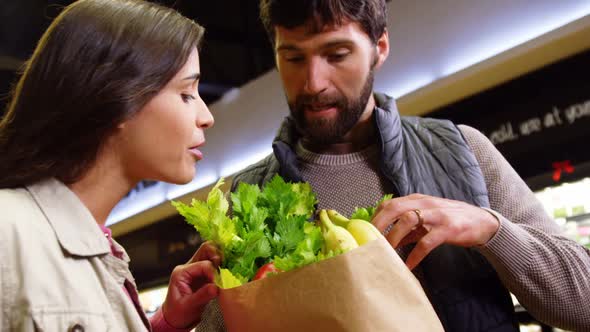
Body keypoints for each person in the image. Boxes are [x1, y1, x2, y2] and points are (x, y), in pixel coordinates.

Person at [195, 0, 590, 331]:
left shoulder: (463, 150)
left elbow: (582, 303)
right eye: (293, 57)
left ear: (379, 47)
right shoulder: (248, 197)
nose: (314, 82)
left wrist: (489, 228)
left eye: (337, 54)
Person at [0, 0, 221, 331]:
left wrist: (163, 323)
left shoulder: (107, 258)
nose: (207, 117)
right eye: (187, 93)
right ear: (119, 97)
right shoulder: (8, 230)